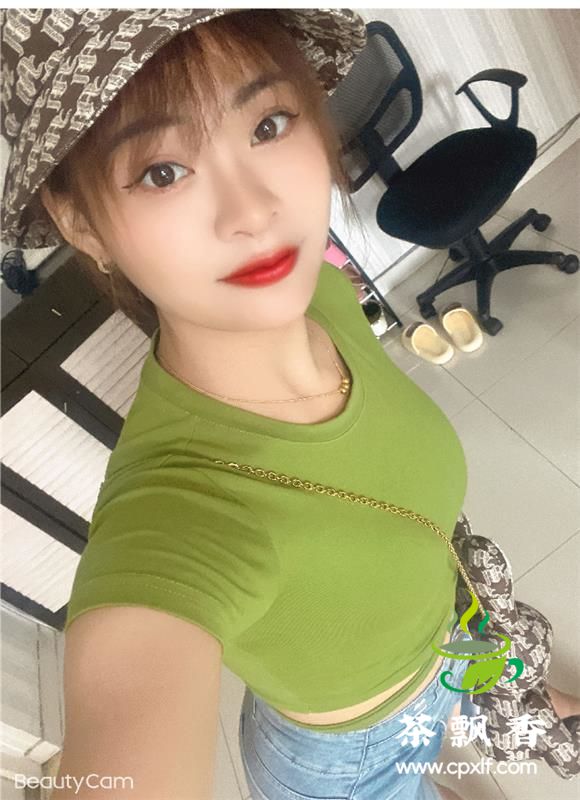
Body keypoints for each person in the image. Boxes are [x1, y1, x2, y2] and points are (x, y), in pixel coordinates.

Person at [1, 9, 578, 800]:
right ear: (81, 224)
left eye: (268, 124)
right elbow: (134, 693)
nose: (254, 211)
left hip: (446, 640)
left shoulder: (323, 298)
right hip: (348, 765)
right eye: (163, 171)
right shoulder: (177, 515)